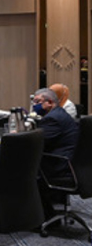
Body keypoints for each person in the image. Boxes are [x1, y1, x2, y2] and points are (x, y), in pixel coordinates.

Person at [33, 88, 80, 216]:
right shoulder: (60, 113)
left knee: (24, 170)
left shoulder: (52, 119)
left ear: (49, 102)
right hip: (71, 163)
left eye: (37, 101)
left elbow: (36, 144)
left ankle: (43, 215)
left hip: (60, 166)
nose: (34, 105)